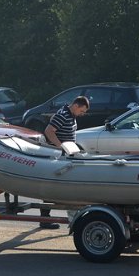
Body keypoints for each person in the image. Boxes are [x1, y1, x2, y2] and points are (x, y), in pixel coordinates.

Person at [39, 96, 90, 228]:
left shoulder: (71, 115)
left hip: (67, 155)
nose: (82, 114)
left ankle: (68, 217)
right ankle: (45, 219)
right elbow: (48, 131)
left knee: (63, 187)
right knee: (52, 187)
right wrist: (60, 146)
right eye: (82, 111)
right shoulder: (62, 115)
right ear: (76, 106)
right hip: (59, 156)